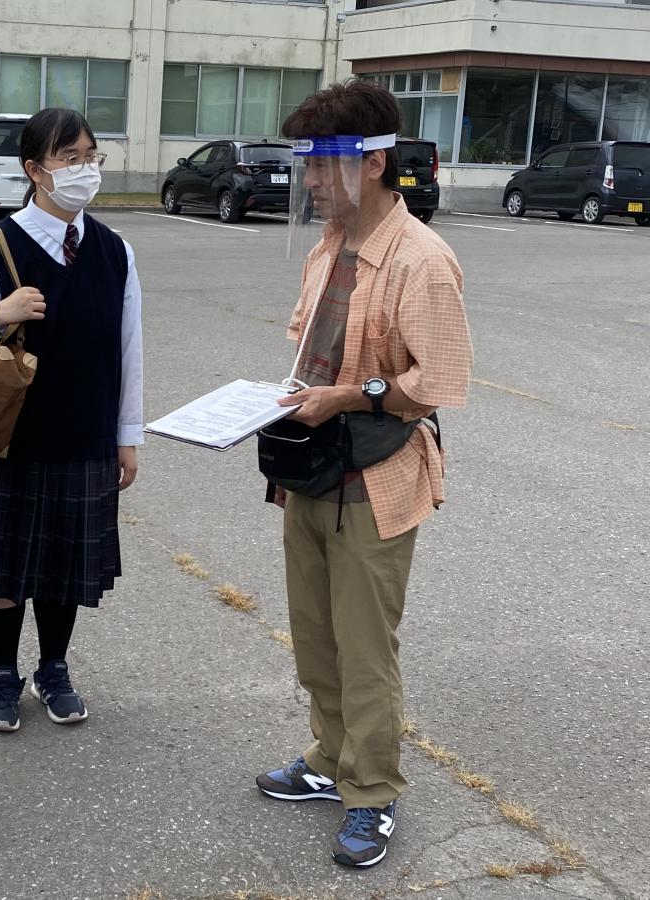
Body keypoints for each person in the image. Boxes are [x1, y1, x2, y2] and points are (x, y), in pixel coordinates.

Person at [254, 81, 473, 868]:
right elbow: (309, 352)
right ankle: (328, 756)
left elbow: (437, 381)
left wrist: (350, 395)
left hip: (375, 479)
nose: (310, 182)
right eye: (307, 167)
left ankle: (372, 792)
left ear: (373, 163)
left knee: (364, 646)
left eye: (323, 167)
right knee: (315, 635)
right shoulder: (329, 246)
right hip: (311, 468)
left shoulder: (422, 261)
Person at [0, 107, 144, 732]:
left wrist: (127, 435)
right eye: (69, 158)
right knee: (1, 569)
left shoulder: (116, 251)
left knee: (64, 568)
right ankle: (2, 673)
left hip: (85, 436)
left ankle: (53, 668)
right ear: (34, 170)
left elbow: (129, 348)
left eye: (91, 157)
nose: (84, 170)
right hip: (9, 439)